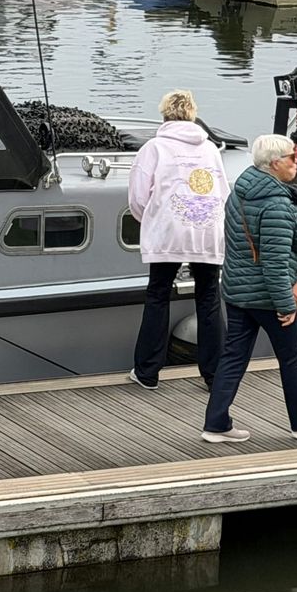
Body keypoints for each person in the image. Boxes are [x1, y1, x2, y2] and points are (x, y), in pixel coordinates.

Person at [201, 133, 297, 443]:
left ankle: (216, 423)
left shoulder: (239, 192)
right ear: (275, 163)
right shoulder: (276, 205)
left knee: (234, 356)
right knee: (291, 356)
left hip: (238, 292)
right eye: (292, 158)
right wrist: (286, 304)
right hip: (269, 296)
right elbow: (275, 263)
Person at [127, 89, 230, 391]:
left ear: (165, 115)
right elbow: (222, 193)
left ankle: (147, 372)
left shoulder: (154, 148)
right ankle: (214, 375)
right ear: (192, 114)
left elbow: (137, 197)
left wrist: (153, 218)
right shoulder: (210, 149)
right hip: (207, 229)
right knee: (209, 298)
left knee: (158, 295)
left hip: (169, 229)